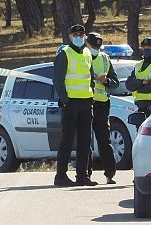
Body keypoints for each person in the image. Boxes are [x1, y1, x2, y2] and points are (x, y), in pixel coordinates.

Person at [53, 24, 98, 187]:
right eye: (75, 34)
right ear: (70, 37)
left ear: (85, 36)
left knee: (85, 141)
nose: (78, 37)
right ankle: (61, 176)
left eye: (81, 34)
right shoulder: (65, 53)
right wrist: (64, 100)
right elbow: (57, 80)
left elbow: (90, 76)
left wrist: (91, 93)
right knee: (67, 140)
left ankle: (82, 175)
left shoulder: (87, 52)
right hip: (71, 103)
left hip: (86, 102)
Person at [86, 32, 119, 184]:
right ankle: (85, 174)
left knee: (104, 139)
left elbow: (115, 81)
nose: (95, 49)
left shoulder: (105, 58)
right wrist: (94, 79)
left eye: (97, 46)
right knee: (86, 140)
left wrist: (106, 81)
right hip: (85, 102)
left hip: (101, 104)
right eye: (93, 46)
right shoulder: (82, 57)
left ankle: (110, 174)